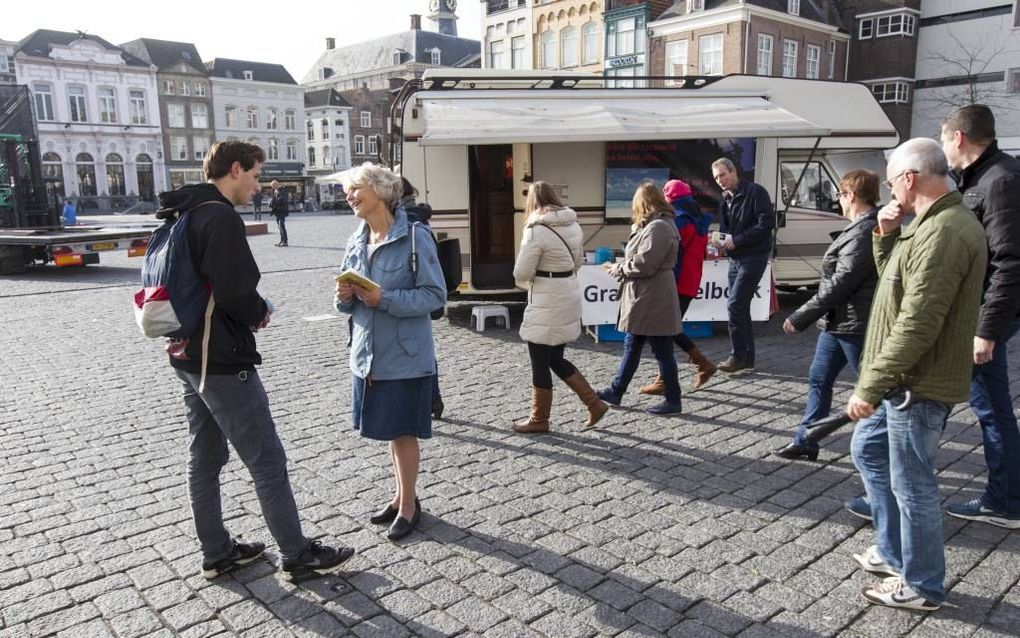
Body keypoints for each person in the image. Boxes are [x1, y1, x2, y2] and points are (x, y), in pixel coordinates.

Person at [159, 141, 354, 582]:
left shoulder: (186, 210)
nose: (258, 185)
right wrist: (259, 311)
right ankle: (297, 553)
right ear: (234, 169)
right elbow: (233, 292)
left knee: (204, 457)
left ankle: (216, 552)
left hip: (187, 352)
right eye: (254, 175)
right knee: (266, 458)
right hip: (222, 358)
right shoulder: (220, 217)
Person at [848, 138, 986, 611]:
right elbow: (895, 285)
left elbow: (918, 320)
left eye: (891, 182)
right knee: (867, 448)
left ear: (909, 178)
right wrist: (885, 235)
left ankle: (921, 584)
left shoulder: (946, 229)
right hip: (903, 379)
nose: (889, 192)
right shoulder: (926, 224)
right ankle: (891, 551)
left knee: (914, 486)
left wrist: (869, 384)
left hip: (916, 383)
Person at [335, 163, 446, 541]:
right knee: (389, 432)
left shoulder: (415, 237)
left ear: (380, 192)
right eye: (347, 191)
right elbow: (347, 304)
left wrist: (385, 298)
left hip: (405, 354)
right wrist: (344, 298)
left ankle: (411, 507)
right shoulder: (357, 238)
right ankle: (400, 496)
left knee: (402, 432)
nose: (348, 196)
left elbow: (435, 297)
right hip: (367, 353)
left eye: (355, 189)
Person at [940, 105, 1020, 529]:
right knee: (987, 405)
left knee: (990, 407)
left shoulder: (1000, 181)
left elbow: (1009, 263)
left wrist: (986, 330)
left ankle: (1006, 500)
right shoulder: (984, 177)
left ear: (959, 138)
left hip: (985, 315)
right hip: (979, 310)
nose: (942, 148)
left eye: (942, 138)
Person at [773, 170, 881, 462]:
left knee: (873, 391)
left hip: (856, 323)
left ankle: (885, 450)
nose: (838, 202)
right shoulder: (860, 227)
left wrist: (800, 316)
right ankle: (806, 440)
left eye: (840, 195)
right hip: (838, 323)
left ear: (851, 196)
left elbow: (841, 283)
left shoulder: (865, 230)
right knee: (819, 379)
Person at [511, 181, 608, 433]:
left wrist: (534, 277)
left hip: (546, 298)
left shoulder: (535, 230)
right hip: (567, 292)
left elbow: (521, 272)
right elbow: (577, 263)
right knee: (555, 356)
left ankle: (539, 419)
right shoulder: (573, 225)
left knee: (539, 360)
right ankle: (594, 403)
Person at [598, 183, 683, 415]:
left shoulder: (659, 227)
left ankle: (673, 400)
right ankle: (617, 390)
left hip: (652, 295)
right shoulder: (656, 225)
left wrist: (620, 269)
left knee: (661, 349)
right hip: (648, 294)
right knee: (633, 345)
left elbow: (645, 263)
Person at [638, 179, 717, 395]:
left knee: (666, 329)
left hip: (677, 280)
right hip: (690, 279)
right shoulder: (698, 217)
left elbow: (668, 249)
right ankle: (699, 365)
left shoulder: (680, 219)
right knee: (669, 328)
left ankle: (696, 367)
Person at [710, 158, 775, 374]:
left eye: (723, 175)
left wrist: (737, 240)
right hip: (735, 258)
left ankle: (738, 356)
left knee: (735, 305)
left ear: (733, 171)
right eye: (717, 178)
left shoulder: (756, 192)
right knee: (740, 307)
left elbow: (766, 225)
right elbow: (726, 229)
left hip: (753, 256)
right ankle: (747, 358)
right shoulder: (724, 198)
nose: (720, 180)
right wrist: (719, 241)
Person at [400, 177, 444, 420]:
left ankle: (430, 398)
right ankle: (433, 400)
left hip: (415, 292)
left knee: (421, 350)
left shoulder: (410, 220)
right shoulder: (417, 213)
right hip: (417, 293)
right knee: (425, 348)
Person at [270, 180, 289, 246]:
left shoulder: (283, 190)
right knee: (279, 226)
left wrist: (275, 202)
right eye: (272, 186)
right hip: (277, 211)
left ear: (276, 184)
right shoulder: (275, 191)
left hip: (282, 210)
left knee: (282, 225)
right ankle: (282, 240)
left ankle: (285, 241)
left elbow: (283, 200)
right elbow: (275, 200)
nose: (273, 187)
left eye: (273, 186)